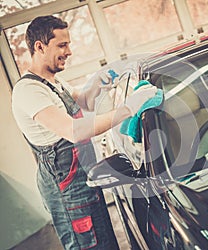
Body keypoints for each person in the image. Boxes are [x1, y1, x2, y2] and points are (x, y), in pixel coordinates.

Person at [11, 15, 157, 249]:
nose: (69, 51)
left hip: (84, 184)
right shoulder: (28, 91)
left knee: (106, 244)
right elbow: (74, 130)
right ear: (40, 46)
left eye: (68, 44)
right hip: (68, 195)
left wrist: (99, 81)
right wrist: (129, 108)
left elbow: (85, 102)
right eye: (62, 45)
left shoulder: (54, 83)